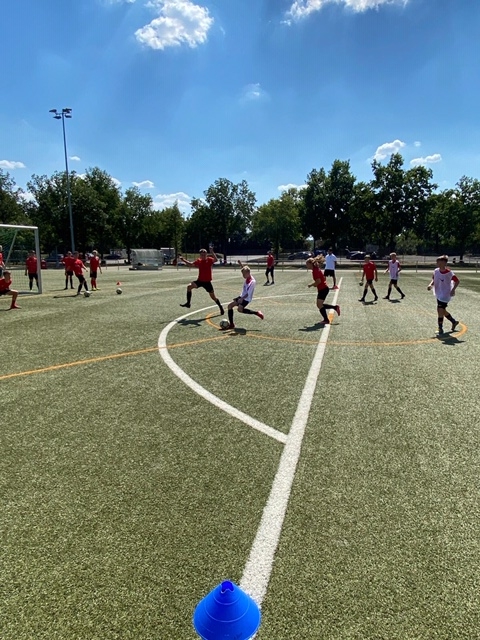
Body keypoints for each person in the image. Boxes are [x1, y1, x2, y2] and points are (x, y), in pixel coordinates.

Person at [178, 248, 224, 315]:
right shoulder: (199, 261)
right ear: (200, 255)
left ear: (206, 254)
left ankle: (220, 307)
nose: (203, 256)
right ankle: (188, 303)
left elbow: (216, 260)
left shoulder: (209, 260)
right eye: (202, 255)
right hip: (200, 281)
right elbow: (191, 264)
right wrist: (183, 260)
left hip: (207, 282)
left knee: (213, 297)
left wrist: (212, 252)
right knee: (189, 287)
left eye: (204, 254)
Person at [222, 260, 264, 330]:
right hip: (242, 296)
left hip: (247, 298)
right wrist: (240, 264)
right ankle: (232, 324)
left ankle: (257, 313)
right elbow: (244, 268)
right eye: (242, 274)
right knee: (230, 306)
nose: (243, 276)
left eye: (244, 274)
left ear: (248, 273)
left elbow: (248, 293)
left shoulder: (252, 282)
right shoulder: (247, 275)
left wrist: (241, 299)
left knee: (240, 309)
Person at [427, 255, 460, 335]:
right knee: (442, 310)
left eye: (438, 262)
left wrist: (453, 290)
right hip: (438, 293)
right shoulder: (436, 271)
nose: (437, 263)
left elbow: (457, 281)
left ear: (444, 263)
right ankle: (454, 322)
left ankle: (440, 328)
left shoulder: (449, 273)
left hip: (445, 294)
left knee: (440, 310)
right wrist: (430, 285)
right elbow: (433, 280)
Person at [306, 256, 340, 325]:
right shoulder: (316, 269)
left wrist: (312, 285)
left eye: (307, 264)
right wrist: (317, 284)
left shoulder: (315, 271)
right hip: (323, 289)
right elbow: (322, 279)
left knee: (319, 305)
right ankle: (335, 307)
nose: (306, 265)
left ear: (310, 264)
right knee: (319, 305)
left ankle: (326, 320)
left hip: (323, 289)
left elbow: (318, 281)